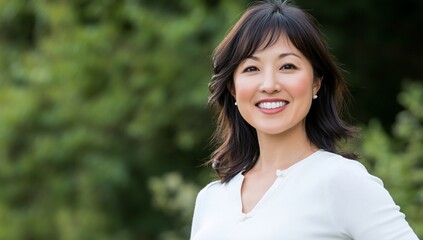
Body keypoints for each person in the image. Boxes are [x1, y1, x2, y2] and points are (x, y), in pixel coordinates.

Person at [190, 1, 419, 239]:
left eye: (287, 66)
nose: (269, 85)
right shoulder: (211, 198)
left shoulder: (341, 181)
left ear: (315, 83)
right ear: (233, 88)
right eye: (251, 68)